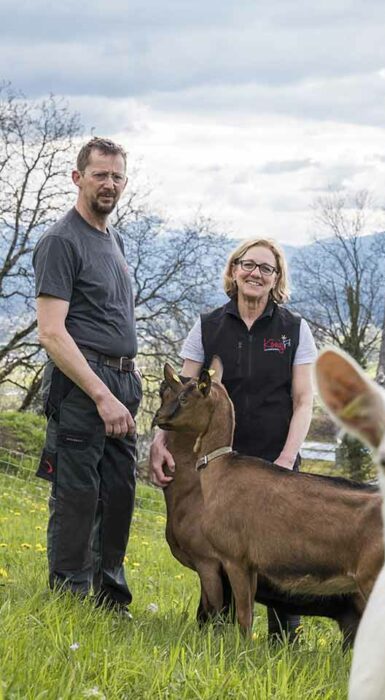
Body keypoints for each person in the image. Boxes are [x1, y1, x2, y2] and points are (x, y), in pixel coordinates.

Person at [150, 237, 317, 641]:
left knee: (278, 557)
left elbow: (303, 401)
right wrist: (158, 442)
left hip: (274, 461)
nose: (255, 273)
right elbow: (181, 396)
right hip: (219, 465)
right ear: (234, 270)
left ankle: (284, 640)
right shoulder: (207, 326)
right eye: (248, 265)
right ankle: (216, 636)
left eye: (266, 268)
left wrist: (286, 461)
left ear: (276, 279)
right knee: (219, 551)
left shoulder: (294, 329)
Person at [32, 137, 141, 617]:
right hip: (83, 386)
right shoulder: (61, 240)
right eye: (100, 174)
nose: (109, 184)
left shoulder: (111, 238)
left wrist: (121, 391)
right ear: (78, 178)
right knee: (77, 495)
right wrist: (100, 395)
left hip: (122, 382)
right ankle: (69, 598)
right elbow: (52, 334)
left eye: (117, 176)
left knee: (119, 492)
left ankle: (108, 596)